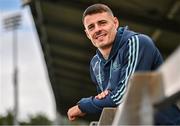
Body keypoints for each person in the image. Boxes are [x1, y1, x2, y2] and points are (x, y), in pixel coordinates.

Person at [67, 3, 164, 122]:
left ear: (115, 23)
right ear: (87, 34)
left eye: (102, 23)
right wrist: (105, 98)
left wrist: (83, 105)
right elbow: (106, 103)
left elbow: (126, 96)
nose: (97, 29)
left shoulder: (136, 42)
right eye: (91, 27)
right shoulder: (95, 63)